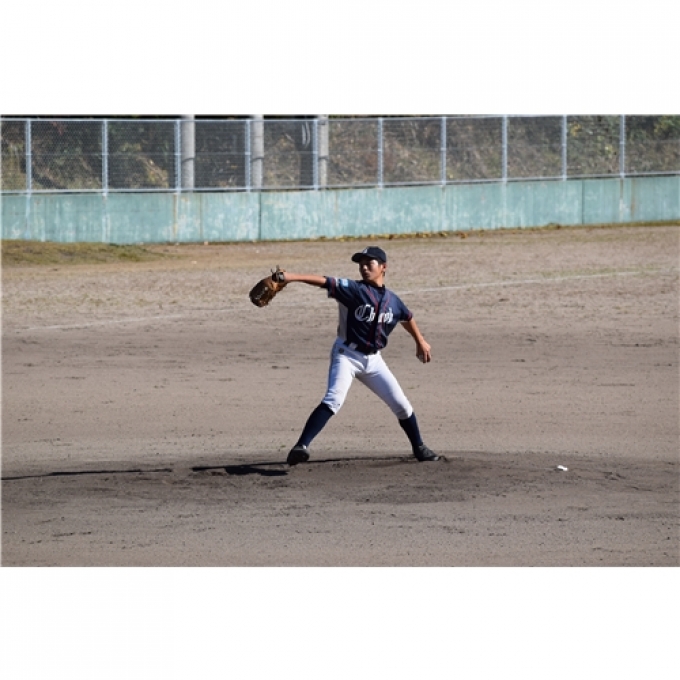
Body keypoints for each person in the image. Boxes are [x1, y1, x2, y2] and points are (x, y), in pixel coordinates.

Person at [280, 246, 440, 466]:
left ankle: (419, 447)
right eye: (361, 264)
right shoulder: (353, 289)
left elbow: (407, 317)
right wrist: (291, 277)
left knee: (402, 406)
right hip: (346, 355)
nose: (364, 268)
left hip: (374, 361)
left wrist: (420, 341)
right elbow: (324, 281)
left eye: (369, 263)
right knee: (334, 399)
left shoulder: (393, 300)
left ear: (383, 267)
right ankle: (301, 446)